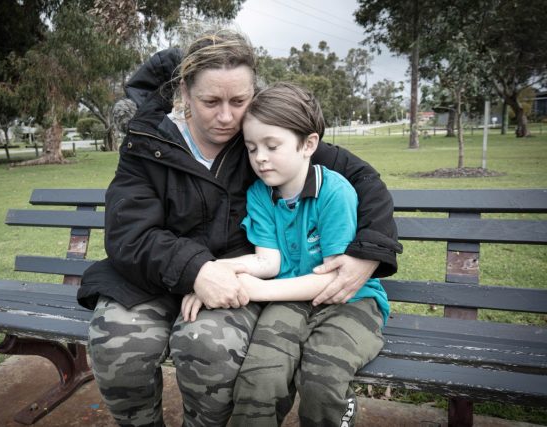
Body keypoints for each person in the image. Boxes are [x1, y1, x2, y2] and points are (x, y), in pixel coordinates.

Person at [76, 29, 402, 427]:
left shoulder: (260, 141)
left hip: (237, 276)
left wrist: (367, 253)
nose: (227, 117)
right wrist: (197, 270)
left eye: (239, 101)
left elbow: (363, 180)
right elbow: (128, 233)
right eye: (210, 101)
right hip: (150, 276)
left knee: (208, 348)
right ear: (184, 92)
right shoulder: (148, 142)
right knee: (117, 345)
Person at [181, 82, 389, 427]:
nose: (260, 157)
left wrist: (257, 290)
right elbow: (269, 261)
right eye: (251, 148)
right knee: (260, 377)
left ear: (308, 145)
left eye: (271, 146)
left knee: (321, 377)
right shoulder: (261, 195)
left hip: (351, 303)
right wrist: (213, 271)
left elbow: (334, 279)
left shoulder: (334, 192)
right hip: (290, 302)